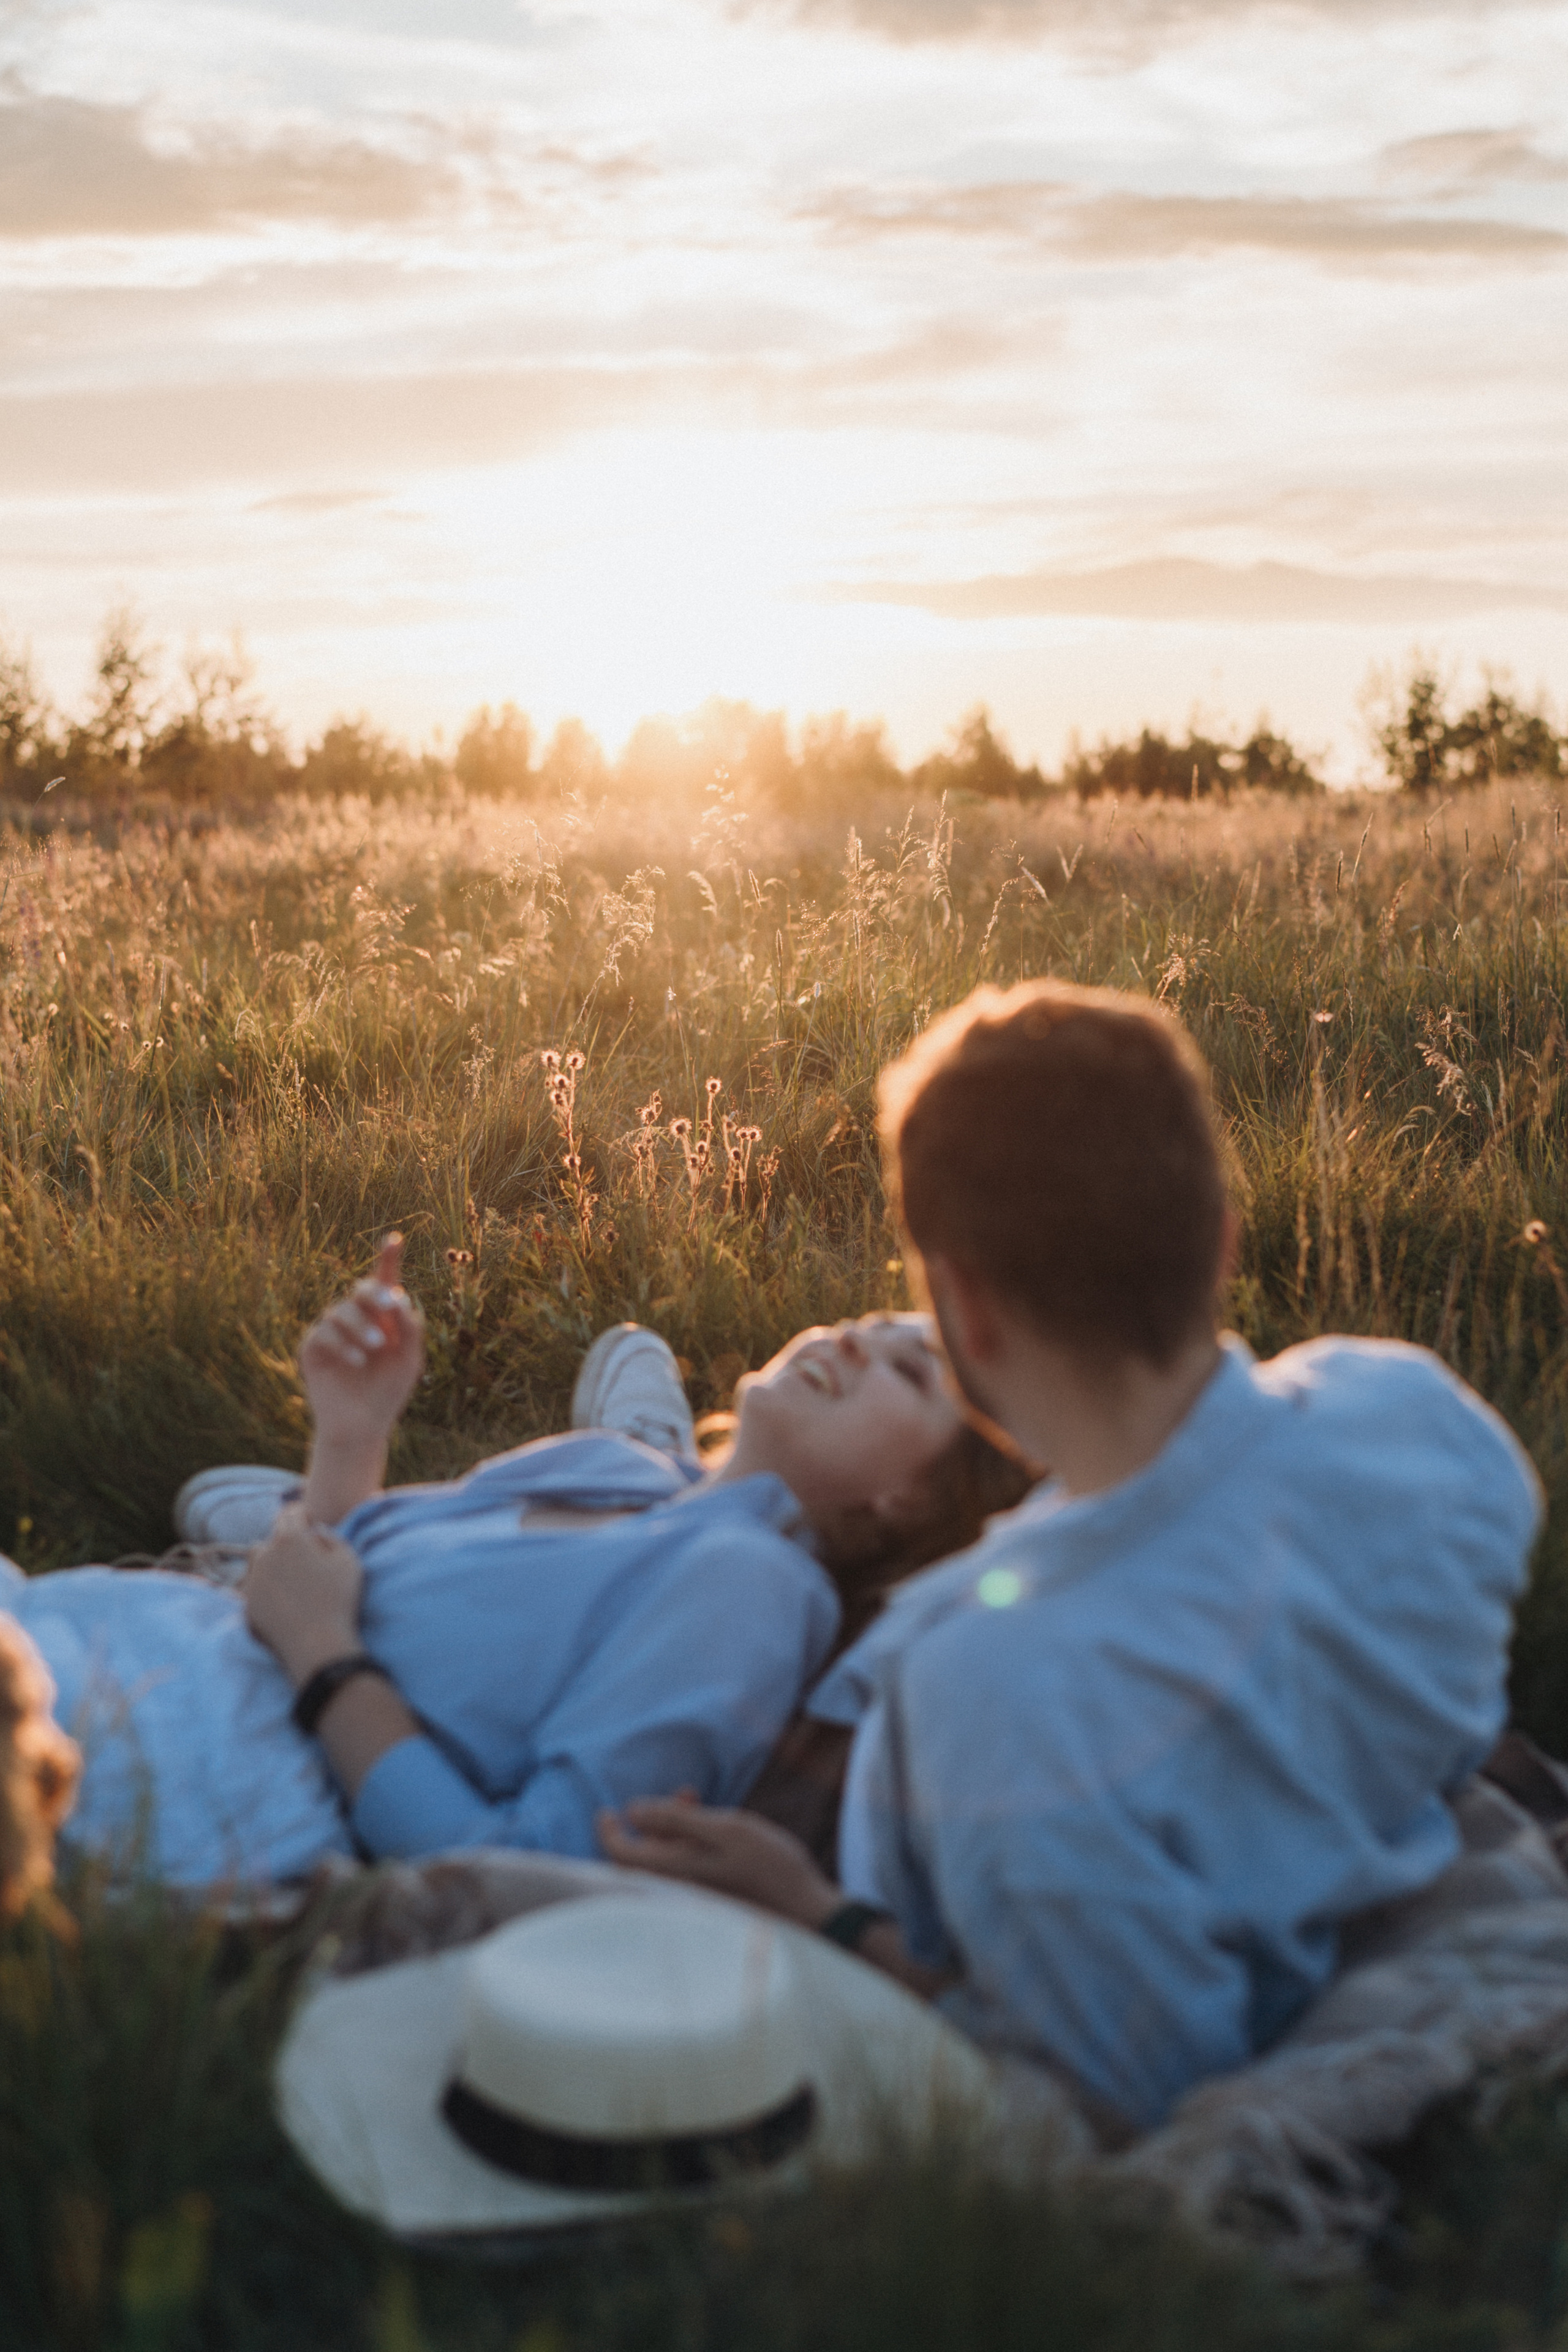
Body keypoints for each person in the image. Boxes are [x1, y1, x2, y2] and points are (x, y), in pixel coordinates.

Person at [601, 979, 1544, 2131]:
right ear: (1222, 1238)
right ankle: (660, 1459)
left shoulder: (975, 1683)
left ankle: (658, 1462)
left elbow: (1121, 2083)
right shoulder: (1420, 1419)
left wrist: (818, 1913)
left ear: (964, 1313)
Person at [0, 1240, 1017, 1891]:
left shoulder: (751, 1589)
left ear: (914, 1501)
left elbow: (521, 1869)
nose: (853, 1339)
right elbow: (342, 1573)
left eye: (908, 1370)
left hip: (221, 1777)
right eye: (871, 1324)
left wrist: (324, 1659)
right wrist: (354, 1432)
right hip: (169, 1644)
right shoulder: (616, 1469)